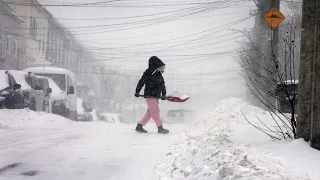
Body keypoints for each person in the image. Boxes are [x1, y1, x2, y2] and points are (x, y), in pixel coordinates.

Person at [134, 56, 169, 134]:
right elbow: (141, 81)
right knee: (155, 111)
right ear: (155, 65)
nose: (162, 68)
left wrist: (164, 94)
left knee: (150, 112)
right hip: (150, 95)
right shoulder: (148, 73)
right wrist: (137, 91)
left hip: (155, 96)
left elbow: (162, 85)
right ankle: (160, 128)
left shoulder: (159, 74)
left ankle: (139, 126)